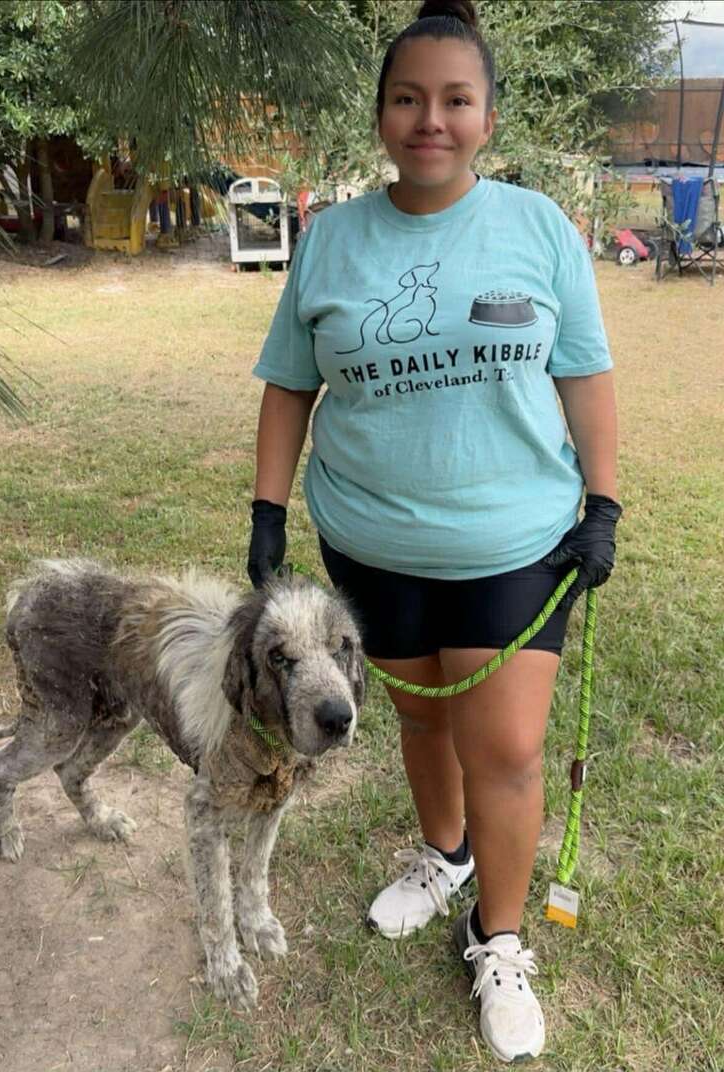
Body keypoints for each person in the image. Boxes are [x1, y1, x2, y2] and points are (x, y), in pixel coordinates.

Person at [246, 0, 621, 1062]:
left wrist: (603, 503)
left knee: (502, 747)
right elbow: (288, 386)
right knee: (417, 723)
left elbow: (585, 376)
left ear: (487, 117)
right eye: (409, 98)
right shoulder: (333, 239)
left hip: (517, 546)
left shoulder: (539, 228)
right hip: (369, 543)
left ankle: (498, 937)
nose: (431, 119)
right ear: (382, 114)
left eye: (456, 99)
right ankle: (443, 854)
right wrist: (268, 514)